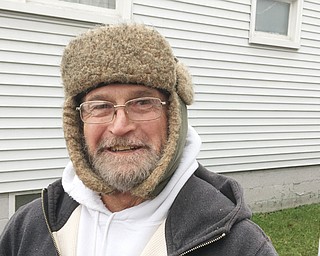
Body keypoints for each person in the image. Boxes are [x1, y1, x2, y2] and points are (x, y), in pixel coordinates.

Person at [0, 23, 278, 256]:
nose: (120, 126)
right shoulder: (30, 228)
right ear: (76, 123)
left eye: (143, 103)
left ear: (174, 118)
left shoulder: (238, 246)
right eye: (100, 106)